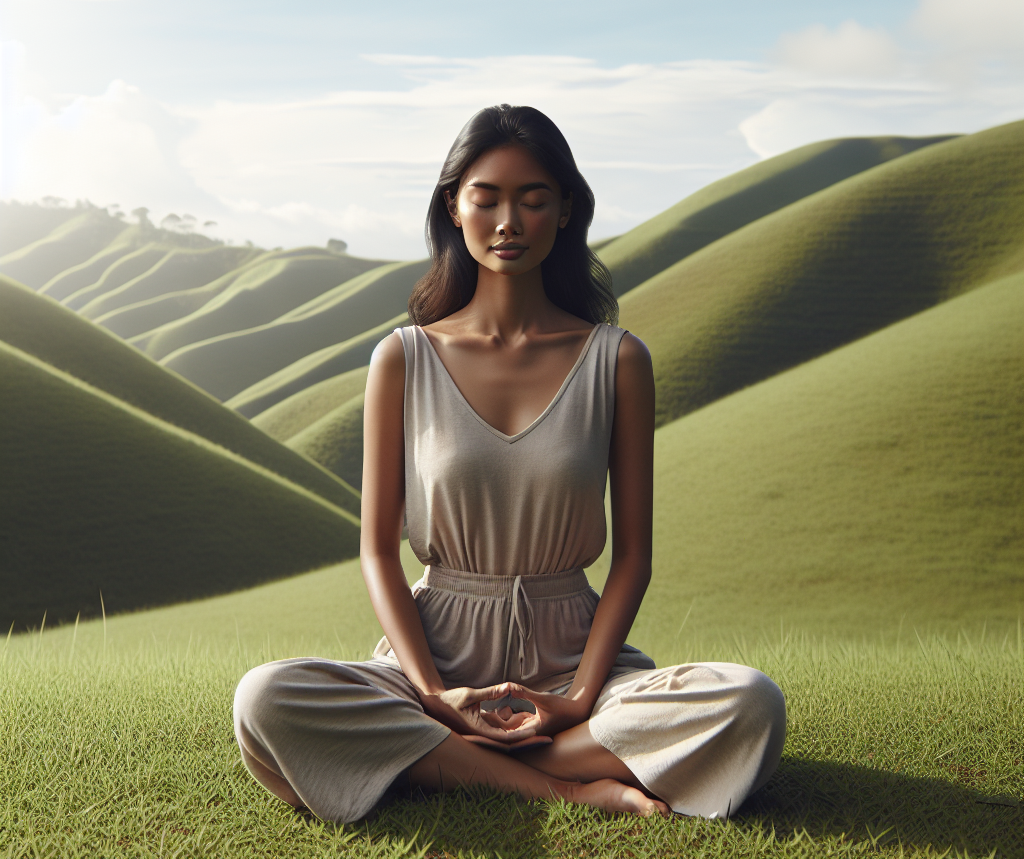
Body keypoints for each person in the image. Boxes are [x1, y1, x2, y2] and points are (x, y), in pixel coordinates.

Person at [233, 105, 786, 822]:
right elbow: (377, 552)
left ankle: (442, 760)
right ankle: (559, 781)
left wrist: (581, 698)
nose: (508, 222)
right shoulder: (402, 358)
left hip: (573, 658)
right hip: (433, 660)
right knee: (266, 698)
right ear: (452, 207)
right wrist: (435, 695)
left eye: (533, 199)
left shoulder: (617, 359)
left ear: (564, 212)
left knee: (749, 702)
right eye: (486, 197)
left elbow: (634, 557)